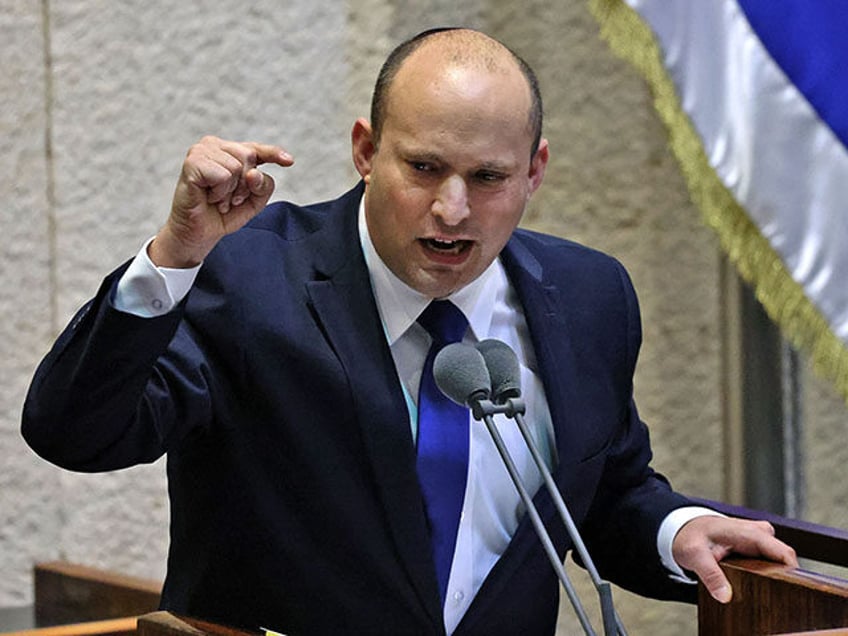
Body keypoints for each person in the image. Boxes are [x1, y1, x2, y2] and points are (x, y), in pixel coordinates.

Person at [23, 28, 796, 635]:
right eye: (424, 168)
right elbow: (77, 433)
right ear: (366, 150)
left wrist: (677, 529)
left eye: (488, 177)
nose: (452, 210)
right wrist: (173, 258)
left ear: (534, 170)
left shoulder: (590, 295)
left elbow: (604, 493)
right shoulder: (249, 276)